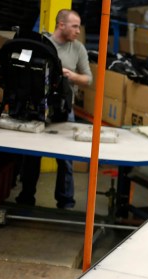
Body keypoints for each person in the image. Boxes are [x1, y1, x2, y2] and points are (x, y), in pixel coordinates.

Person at [16, 9, 92, 209]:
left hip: (64, 110)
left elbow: (88, 79)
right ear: (61, 25)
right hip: (38, 107)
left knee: (65, 158)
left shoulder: (78, 49)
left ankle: (66, 201)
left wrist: (71, 75)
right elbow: (21, 65)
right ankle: (26, 197)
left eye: (79, 27)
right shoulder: (40, 44)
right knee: (32, 155)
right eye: (74, 26)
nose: (78, 31)